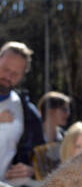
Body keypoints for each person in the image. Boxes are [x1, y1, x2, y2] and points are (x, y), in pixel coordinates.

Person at [0, 41, 44, 182]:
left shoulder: (27, 112)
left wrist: (31, 169)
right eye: (5, 69)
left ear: (23, 76)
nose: (8, 77)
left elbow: (42, 156)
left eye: (16, 74)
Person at [31, 91, 70, 180]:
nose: (68, 113)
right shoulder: (29, 137)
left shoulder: (65, 138)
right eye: (64, 109)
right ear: (50, 111)